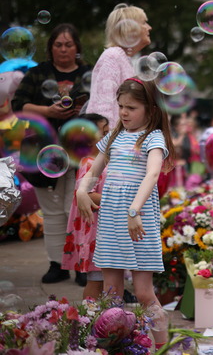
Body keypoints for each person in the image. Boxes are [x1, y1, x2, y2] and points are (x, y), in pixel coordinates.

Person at [76, 78, 175, 348]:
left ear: (151, 111)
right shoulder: (114, 136)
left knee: (144, 293)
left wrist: (135, 210)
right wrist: (82, 190)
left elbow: (153, 174)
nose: (123, 113)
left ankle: (164, 347)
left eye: (131, 107)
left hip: (138, 220)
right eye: (120, 106)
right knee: (111, 294)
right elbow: (93, 171)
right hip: (111, 219)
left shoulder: (153, 138)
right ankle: (116, 347)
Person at [12, 23, 91, 284]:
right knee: (53, 210)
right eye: (58, 44)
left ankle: (81, 264)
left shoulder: (89, 73)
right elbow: (17, 104)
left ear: (77, 47)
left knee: (78, 207)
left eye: (68, 44)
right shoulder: (38, 73)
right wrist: (49, 112)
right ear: (51, 48)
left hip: (80, 149)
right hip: (43, 150)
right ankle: (57, 264)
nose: (63, 49)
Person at [61, 113, 110, 296]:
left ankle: (105, 317)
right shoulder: (89, 164)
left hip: (103, 230)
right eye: (103, 132)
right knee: (96, 282)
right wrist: (119, 198)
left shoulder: (103, 161)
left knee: (106, 281)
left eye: (108, 131)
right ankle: (88, 319)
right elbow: (87, 194)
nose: (109, 136)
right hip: (95, 234)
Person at [84, 3, 152, 129]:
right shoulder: (113, 56)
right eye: (144, 23)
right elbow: (103, 105)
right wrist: (108, 141)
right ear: (130, 28)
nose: (149, 27)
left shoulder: (124, 59)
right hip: (110, 142)